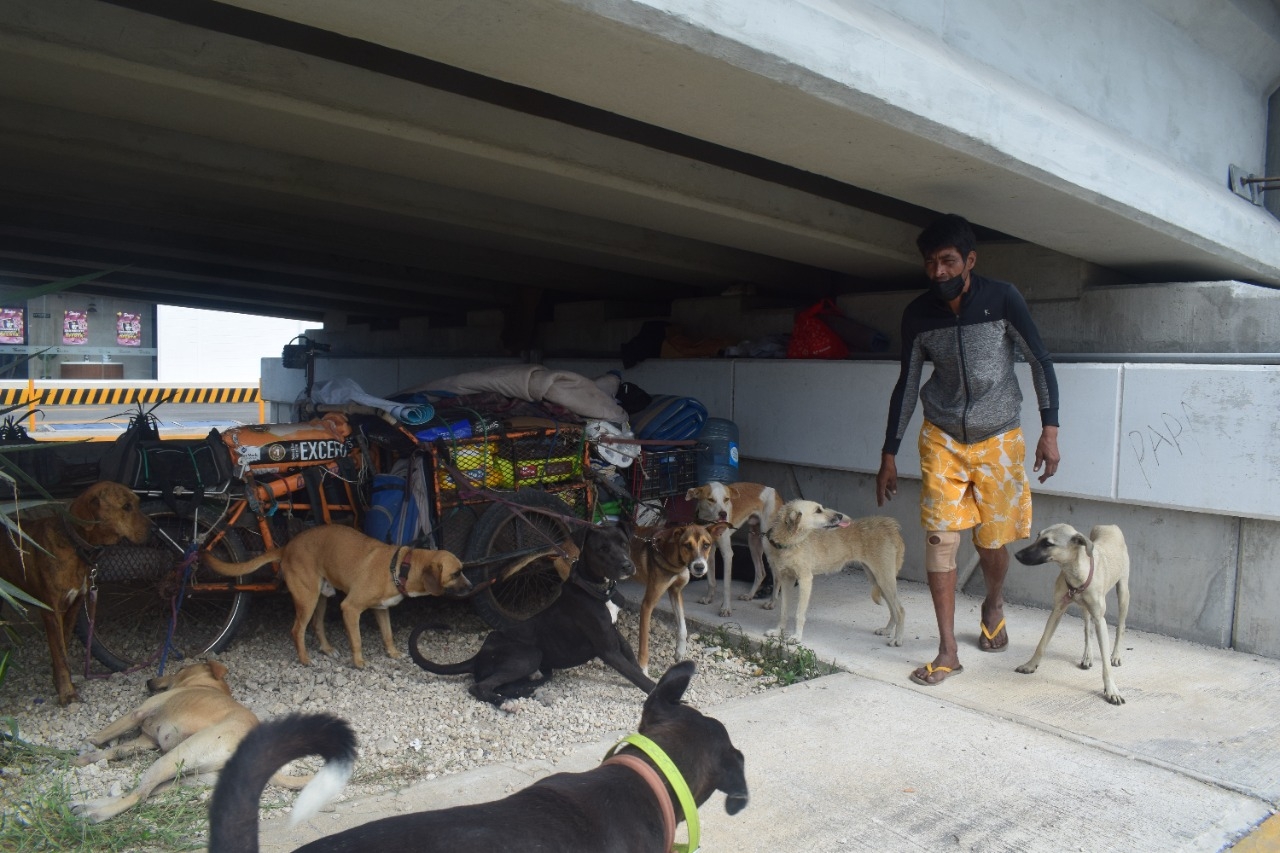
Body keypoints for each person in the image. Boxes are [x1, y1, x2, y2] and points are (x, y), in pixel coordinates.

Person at [876, 214, 1060, 686]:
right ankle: (947, 649)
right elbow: (907, 384)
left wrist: (1050, 431)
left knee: (992, 540)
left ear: (969, 261)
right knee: (940, 540)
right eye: (931, 263)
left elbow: (1040, 361)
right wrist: (889, 453)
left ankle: (993, 602)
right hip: (942, 437)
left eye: (948, 261)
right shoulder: (918, 314)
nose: (938, 272)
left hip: (999, 435)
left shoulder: (1002, 299)